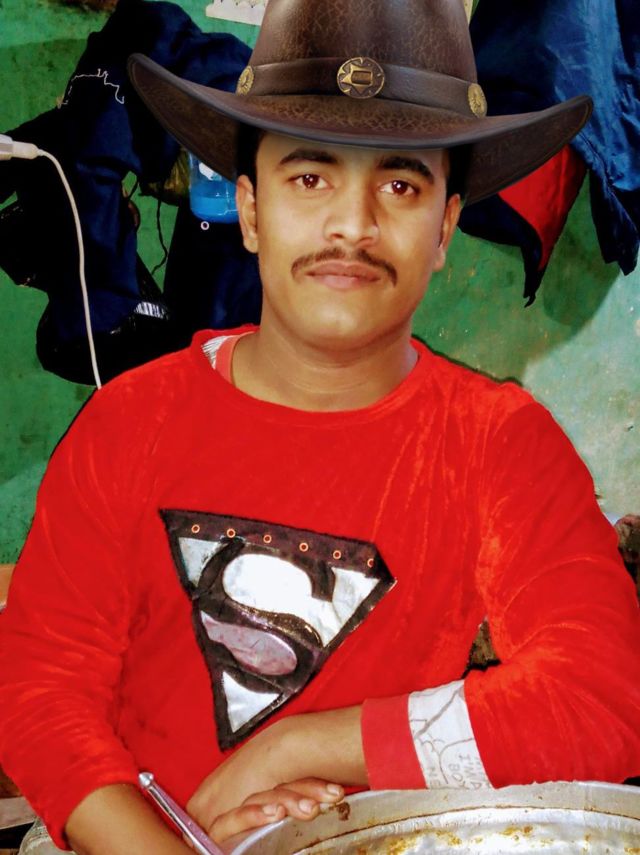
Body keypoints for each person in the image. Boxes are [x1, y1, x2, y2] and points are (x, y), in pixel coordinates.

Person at [1, 0, 639, 852]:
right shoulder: (130, 423)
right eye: (310, 178)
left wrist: (297, 746)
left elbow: (605, 698)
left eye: (401, 185)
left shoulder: (499, 444)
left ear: (445, 228)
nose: (353, 224)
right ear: (250, 210)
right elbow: (40, 693)